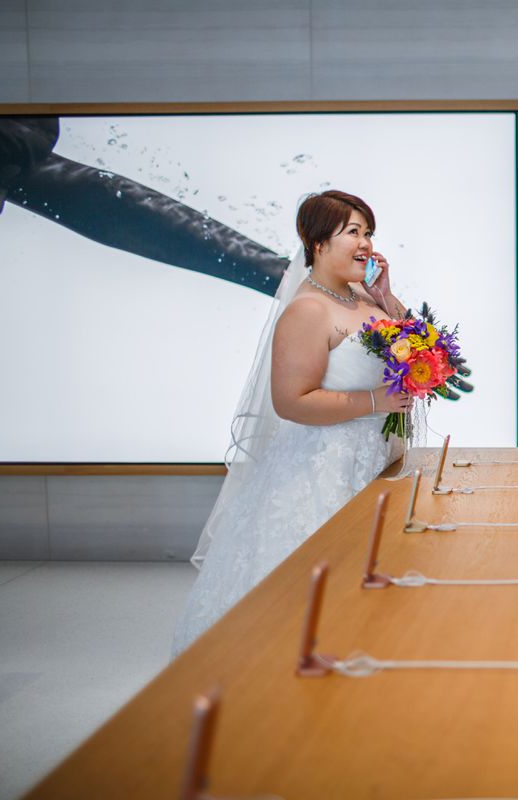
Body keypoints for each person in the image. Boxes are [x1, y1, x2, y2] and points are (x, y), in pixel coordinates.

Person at [172, 190, 412, 655]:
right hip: (321, 471)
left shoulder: (365, 294)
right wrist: (375, 400)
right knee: (313, 586)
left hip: (373, 460)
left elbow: (415, 348)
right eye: (353, 233)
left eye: (368, 233)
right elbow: (292, 401)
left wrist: (387, 297)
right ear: (319, 243)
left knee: (364, 577)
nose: (365, 243)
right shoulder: (308, 309)